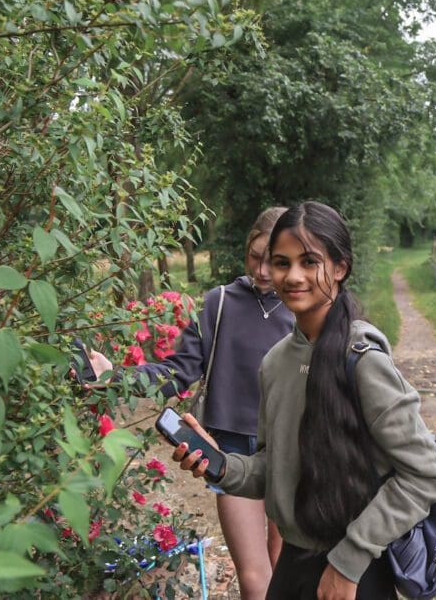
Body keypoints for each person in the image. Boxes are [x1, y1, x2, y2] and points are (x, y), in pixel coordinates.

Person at [173, 201, 436, 600]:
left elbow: (428, 472)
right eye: (281, 263)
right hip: (293, 565)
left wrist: (348, 563)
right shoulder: (276, 362)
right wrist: (218, 466)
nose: (293, 275)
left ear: (339, 268)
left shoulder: (362, 359)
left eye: (309, 261)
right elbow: (275, 469)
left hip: (354, 574)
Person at [85, 206, 292, 600]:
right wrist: (115, 378)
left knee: (287, 571)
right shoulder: (220, 303)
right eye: (255, 257)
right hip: (229, 453)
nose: (263, 270)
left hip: (291, 452)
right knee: (254, 577)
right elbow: (177, 372)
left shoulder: (303, 304)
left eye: (274, 260)